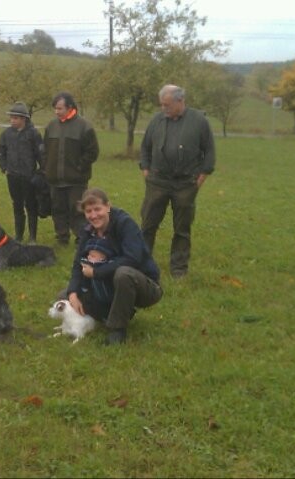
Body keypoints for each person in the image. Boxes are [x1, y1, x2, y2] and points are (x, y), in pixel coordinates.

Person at [65, 188, 162, 345]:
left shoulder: (125, 224)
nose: (94, 215)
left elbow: (133, 259)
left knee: (123, 274)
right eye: (89, 211)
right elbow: (78, 264)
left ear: (108, 207)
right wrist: (73, 293)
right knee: (63, 297)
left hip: (144, 285)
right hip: (107, 284)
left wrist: (96, 272)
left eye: (98, 209)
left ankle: (118, 329)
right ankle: (108, 313)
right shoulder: (88, 231)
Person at [139, 84, 215, 278]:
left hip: (185, 184)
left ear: (180, 101)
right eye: (162, 105)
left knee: (182, 228)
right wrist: (146, 171)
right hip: (157, 182)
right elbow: (145, 148)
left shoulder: (199, 121)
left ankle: (179, 268)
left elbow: (209, 152)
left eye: (167, 105)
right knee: (148, 224)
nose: (164, 109)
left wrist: (200, 179)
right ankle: (141, 263)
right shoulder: (156, 120)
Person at [43, 92, 100, 245]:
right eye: (55, 108)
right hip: (55, 179)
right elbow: (46, 150)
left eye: (60, 108)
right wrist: (47, 168)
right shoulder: (51, 126)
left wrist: (80, 167)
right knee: (58, 209)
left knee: (78, 210)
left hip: (76, 180)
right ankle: (62, 236)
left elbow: (92, 152)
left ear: (70, 108)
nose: (56, 112)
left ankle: (82, 237)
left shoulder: (84, 127)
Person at [0, 102, 45, 243]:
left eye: (16, 118)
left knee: (31, 206)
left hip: (29, 176)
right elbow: (1, 152)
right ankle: (18, 236)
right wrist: (4, 167)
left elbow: (41, 155)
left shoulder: (34, 134)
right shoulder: (6, 134)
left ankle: (32, 237)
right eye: (11, 118)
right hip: (12, 176)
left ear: (24, 119)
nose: (12, 120)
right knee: (17, 205)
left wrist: (42, 172)